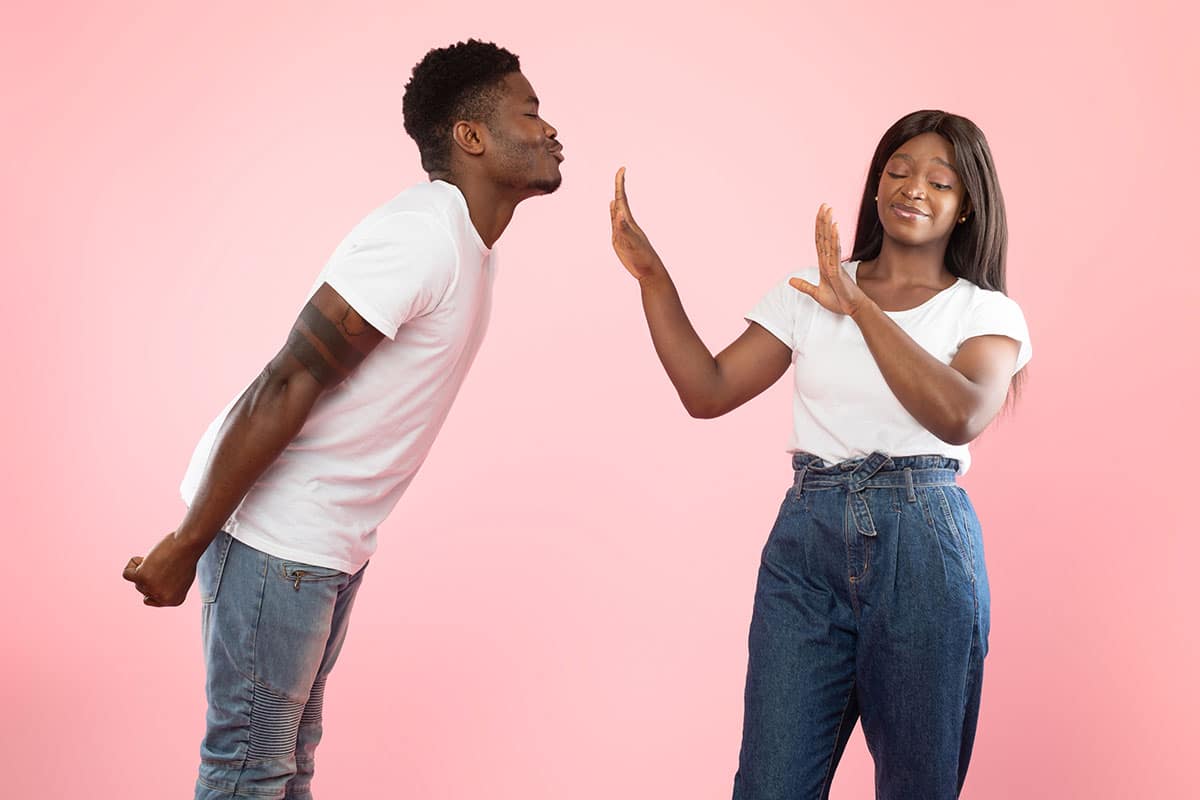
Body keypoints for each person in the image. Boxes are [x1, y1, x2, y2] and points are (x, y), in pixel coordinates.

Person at [121, 39, 563, 800]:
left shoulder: (469, 249)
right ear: (471, 136)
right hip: (276, 538)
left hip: (326, 549)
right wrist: (185, 544)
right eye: (530, 113)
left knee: (284, 765)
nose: (551, 129)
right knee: (248, 769)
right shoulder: (423, 234)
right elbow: (289, 377)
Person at [610, 110, 1030, 799]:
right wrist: (653, 278)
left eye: (939, 180)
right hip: (808, 545)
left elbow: (958, 416)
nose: (913, 187)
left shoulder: (984, 313)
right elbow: (707, 390)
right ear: (875, 187)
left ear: (966, 207)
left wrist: (861, 307)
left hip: (923, 547)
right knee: (771, 785)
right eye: (898, 169)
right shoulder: (808, 291)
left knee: (918, 787)